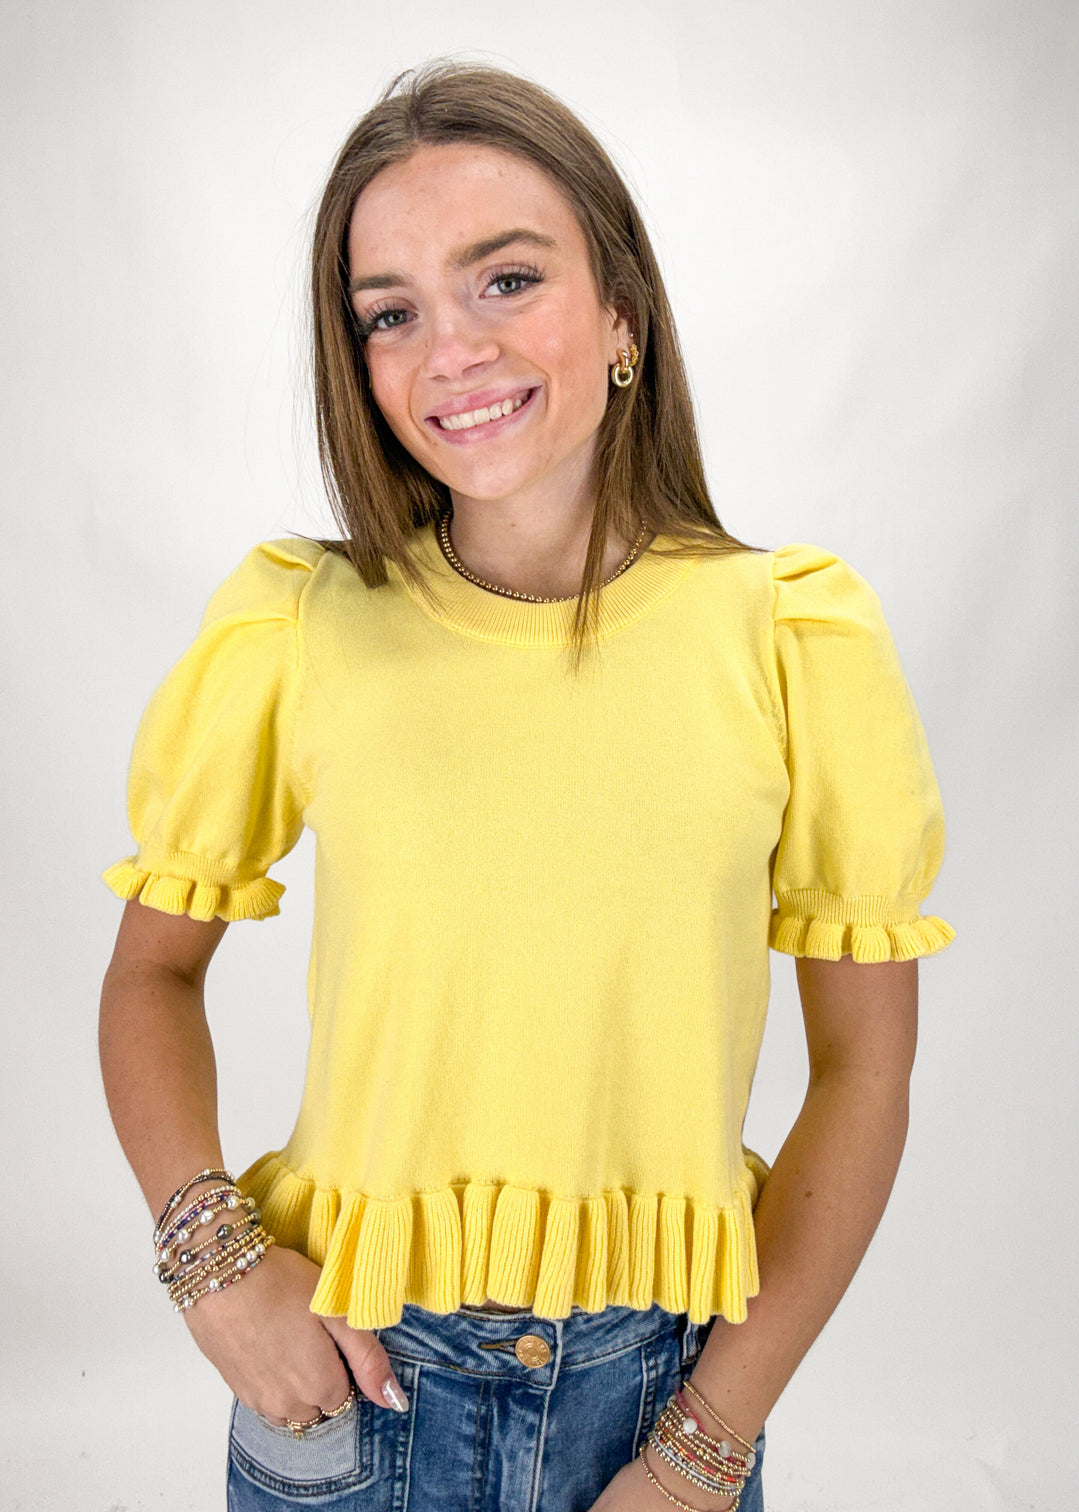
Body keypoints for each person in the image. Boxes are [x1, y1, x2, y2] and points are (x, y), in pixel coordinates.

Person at [98, 58, 956, 1512]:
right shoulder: (301, 625)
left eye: (505, 279)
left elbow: (866, 1072)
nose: (451, 351)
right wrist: (216, 1268)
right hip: (348, 1393)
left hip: (662, 1407)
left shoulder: (793, 635)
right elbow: (152, 979)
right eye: (392, 311)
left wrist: (705, 1444)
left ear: (622, 313)